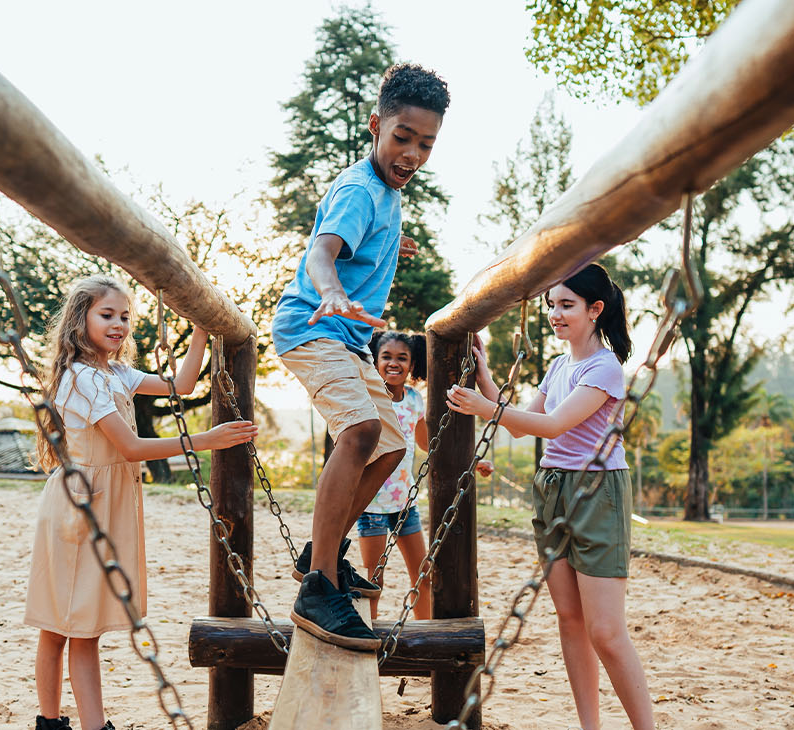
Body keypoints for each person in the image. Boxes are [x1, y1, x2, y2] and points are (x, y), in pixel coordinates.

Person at [24, 275, 257, 730]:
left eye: (125, 317)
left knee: (67, 624)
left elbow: (182, 385)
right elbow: (129, 447)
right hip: (81, 505)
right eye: (106, 315)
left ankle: (51, 723)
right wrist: (203, 440)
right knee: (70, 628)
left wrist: (201, 329)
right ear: (80, 319)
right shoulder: (81, 378)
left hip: (105, 503)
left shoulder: (114, 373)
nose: (118, 325)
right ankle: (80, 724)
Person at [271, 63, 451, 650]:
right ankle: (318, 587)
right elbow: (322, 252)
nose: (412, 153)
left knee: (393, 443)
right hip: (312, 326)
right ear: (376, 125)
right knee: (361, 430)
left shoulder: (385, 196)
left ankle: (318, 554)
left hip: (346, 340)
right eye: (402, 137)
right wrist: (329, 290)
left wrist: (388, 241)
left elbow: (358, 235)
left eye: (425, 143)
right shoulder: (358, 189)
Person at [446, 263, 654, 730]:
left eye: (567, 305)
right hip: (552, 487)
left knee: (606, 630)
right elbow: (522, 425)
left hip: (596, 492)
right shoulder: (560, 365)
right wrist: (484, 378)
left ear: (595, 310)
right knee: (569, 619)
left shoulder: (605, 368)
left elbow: (555, 424)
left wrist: (485, 408)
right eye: (552, 306)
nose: (556, 314)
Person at [358, 330, 493, 620]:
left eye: (402, 358)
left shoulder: (414, 400)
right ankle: (368, 634)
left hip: (405, 503)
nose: (394, 363)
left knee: (423, 575)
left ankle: (424, 630)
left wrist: (472, 460)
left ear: (412, 363)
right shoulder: (368, 397)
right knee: (374, 579)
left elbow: (428, 444)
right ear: (375, 360)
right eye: (387, 357)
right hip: (371, 504)